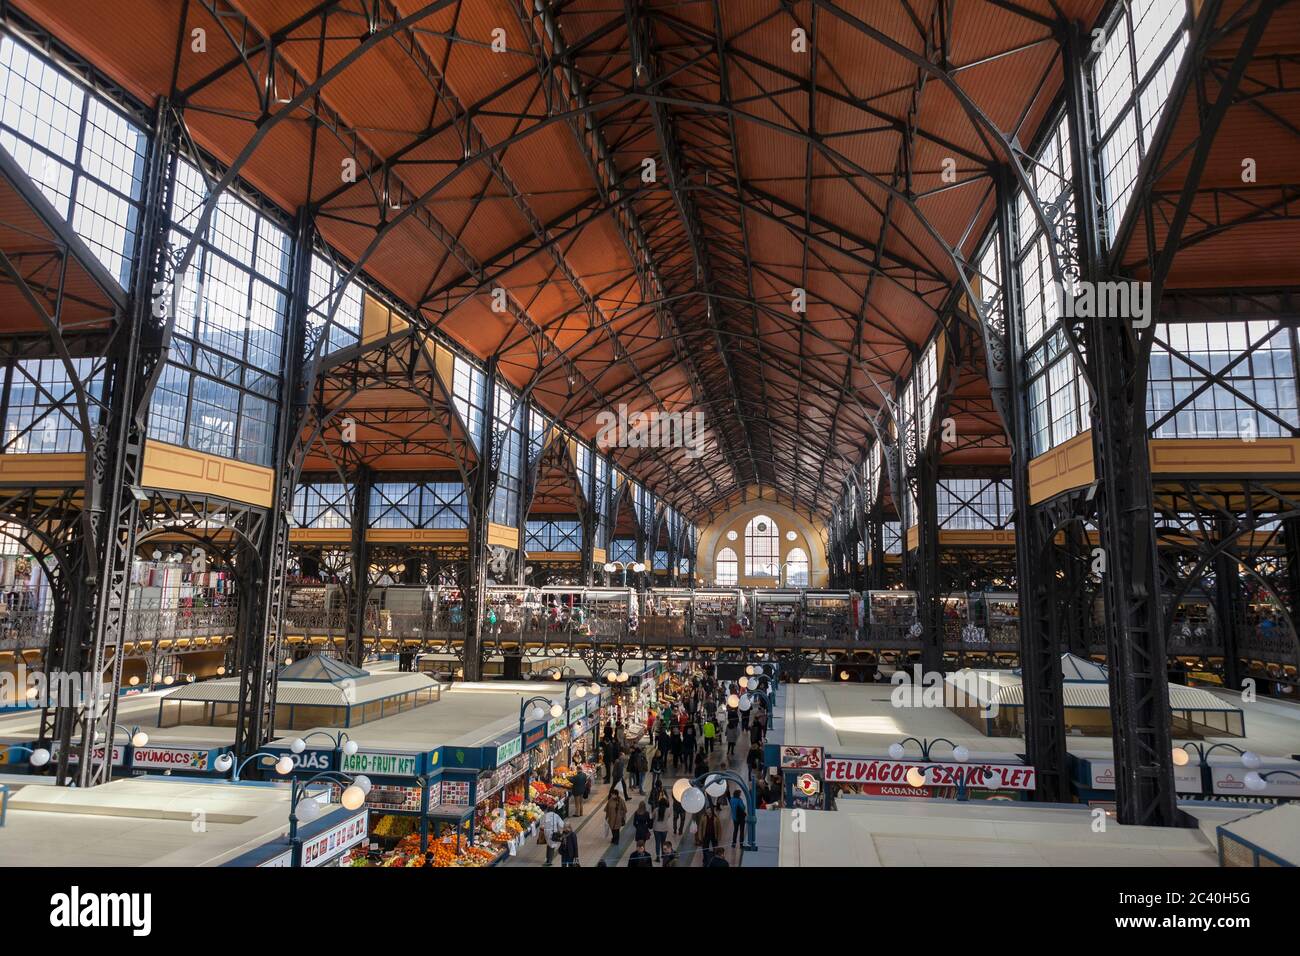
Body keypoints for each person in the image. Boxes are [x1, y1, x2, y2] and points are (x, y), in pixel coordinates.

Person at [651, 788, 671, 861]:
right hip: (664, 829)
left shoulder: (656, 810)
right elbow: (669, 816)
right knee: (663, 842)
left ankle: (658, 857)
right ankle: (663, 855)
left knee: (657, 843)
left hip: (656, 829)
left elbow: (652, 817)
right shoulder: (668, 810)